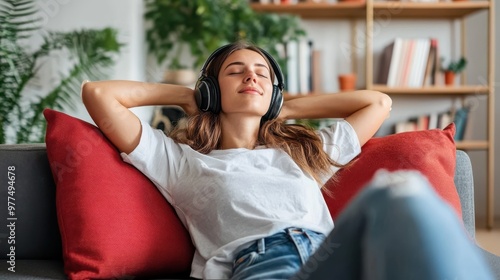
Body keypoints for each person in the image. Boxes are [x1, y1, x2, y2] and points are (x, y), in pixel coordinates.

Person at [82, 41, 493, 280]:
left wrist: (285, 107)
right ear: (211, 89)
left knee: (402, 198)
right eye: (235, 71)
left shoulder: (306, 153)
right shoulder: (182, 162)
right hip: (264, 263)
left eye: (263, 73)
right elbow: (99, 95)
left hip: (335, 257)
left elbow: (377, 102)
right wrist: (186, 96)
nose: (252, 77)